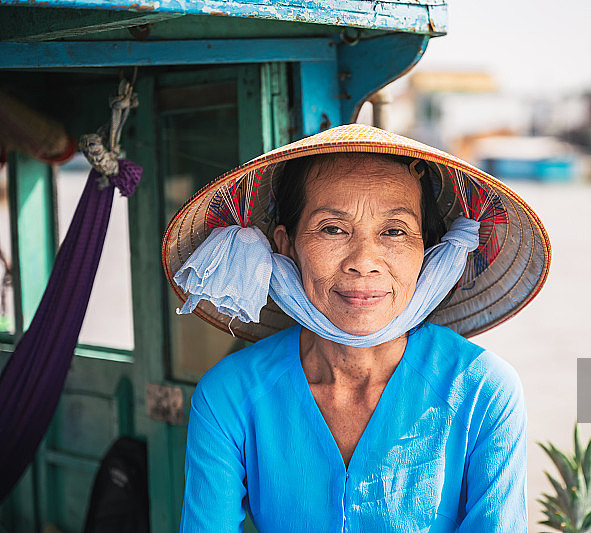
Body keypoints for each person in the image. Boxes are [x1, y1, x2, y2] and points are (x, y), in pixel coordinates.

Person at [161, 124, 551, 532]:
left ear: (427, 251)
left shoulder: (483, 391)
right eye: (333, 228)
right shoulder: (229, 395)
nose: (364, 260)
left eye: (394, 231)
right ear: (286, 245)